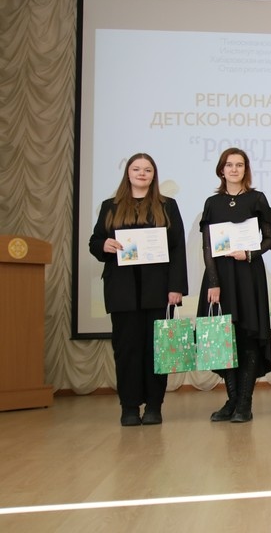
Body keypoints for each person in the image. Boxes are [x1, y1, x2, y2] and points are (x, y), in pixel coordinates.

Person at [89, 153, 188, 426]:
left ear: (154, 175)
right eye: (136, 169)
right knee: (126, 350)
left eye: (147, 169)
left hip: (158, 291)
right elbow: (95, 241)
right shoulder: (110, 206)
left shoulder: (168, 205)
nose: (142, 173)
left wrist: (176, 288)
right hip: (122, 291)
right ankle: (129, 407)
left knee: (157, 350)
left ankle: (154, 406)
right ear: (128, 173)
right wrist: (104, 245)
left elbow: (178, 248)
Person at [198, 148, 271, 423]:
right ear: (221, 170)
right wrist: (213, 282)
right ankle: (231, 401)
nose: (234, 169)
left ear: (246, 169)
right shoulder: (212, 202)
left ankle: (244, 403)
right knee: (224, 339)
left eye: (239, 165)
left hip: (248, 275)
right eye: (229, 165)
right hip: (220, 277)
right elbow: (208, 246)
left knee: (247, 337)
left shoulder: (257, 199)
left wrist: (250, 254)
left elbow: (270, 238)